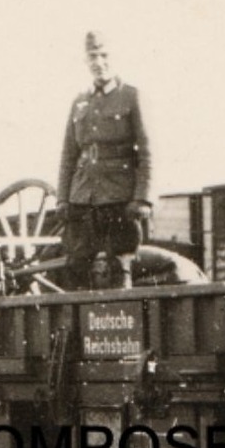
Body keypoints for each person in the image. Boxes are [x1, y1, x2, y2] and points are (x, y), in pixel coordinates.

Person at [56, 31, 153, 289]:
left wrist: (142, 198)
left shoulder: (131, 96)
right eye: (92, 56)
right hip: (82, 199)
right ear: (85, 61)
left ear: (115, 57)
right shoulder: (79, 102)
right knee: (77, 268)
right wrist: (63, 198)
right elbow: (68, 155)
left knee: (119, 268)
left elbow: (147, 151)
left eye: (104, 55)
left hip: (119, 200)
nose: (99, 62)